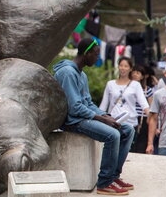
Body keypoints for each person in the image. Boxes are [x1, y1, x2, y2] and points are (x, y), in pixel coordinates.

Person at [53, 38, 135, 195]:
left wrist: (106, 115)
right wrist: (102, 119)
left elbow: (88, 103)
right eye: (96, 54)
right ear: (87, 53)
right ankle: (104, 183)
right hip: (71, 120)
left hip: (83, 117)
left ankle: (113, 177)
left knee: (128, 129)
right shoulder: (67, 73)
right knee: (113, 135)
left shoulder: (81, 74)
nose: (98, 58)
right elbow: (74, 107)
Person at [99, 57, 149, 147]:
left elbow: (144, 104)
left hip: (130, 124)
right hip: (113, 123)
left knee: (129, 154)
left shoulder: (135, 85)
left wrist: (152, 118)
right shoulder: (110, 84)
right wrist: (99, 119)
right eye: (121, 65)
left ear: (130, 69)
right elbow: (103, 106)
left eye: (126, 66)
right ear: (118, 67)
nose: (123, 68)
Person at [130, 65, 157, 153]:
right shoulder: (127, 88)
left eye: (137, 73)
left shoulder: (147, 90)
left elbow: (151, 106)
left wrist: (153, 123)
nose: (135, 74)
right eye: (133, 72)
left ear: (142, 76)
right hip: (129, 118)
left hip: (142, 119)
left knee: (141, 144)